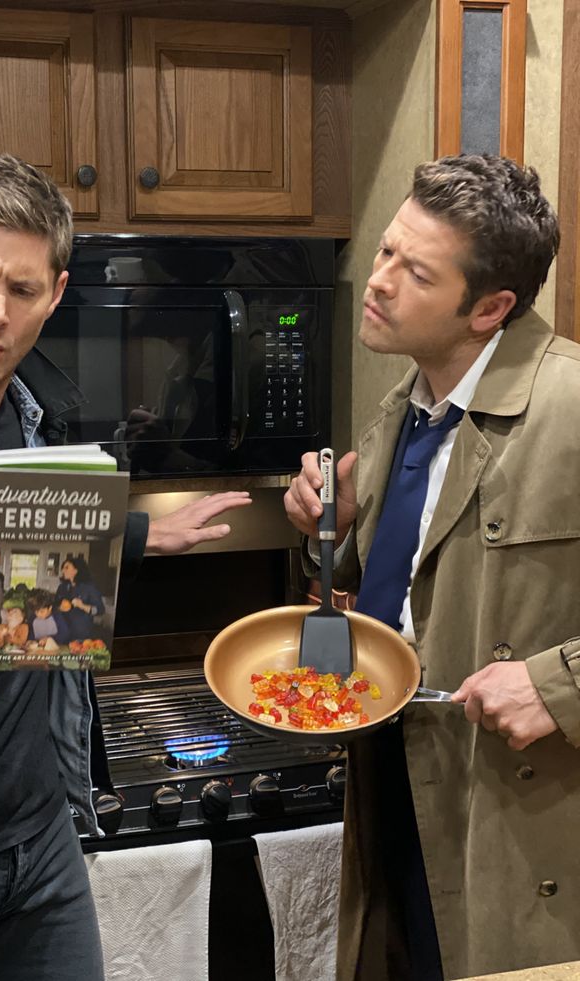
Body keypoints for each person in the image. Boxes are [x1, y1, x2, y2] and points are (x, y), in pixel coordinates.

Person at [0, 151, 252, 981]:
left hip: (40, 848)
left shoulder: (50, 408)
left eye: (23, 290)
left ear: (56, 293)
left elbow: (22, 559)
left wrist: (136, 536)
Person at [284, 155, 580, 981]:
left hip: (516, 830)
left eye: (413, 271)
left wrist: (559, 684)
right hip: (397, 791)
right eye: (385, 252)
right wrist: (319, 523)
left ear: (491, 307)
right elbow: (387, 586)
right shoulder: (405, 409)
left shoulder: (572, 406)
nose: (377, 282)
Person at [54, 556, 104, 642]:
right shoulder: (62, 587)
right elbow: (55, 606)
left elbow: (100, 610)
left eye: (66, 568)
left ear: (76, 570)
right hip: (62, 633)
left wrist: (83, 606)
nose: (62, 571)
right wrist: (59, 608)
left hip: (81, 634)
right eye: (63, 568)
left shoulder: (89, 588)